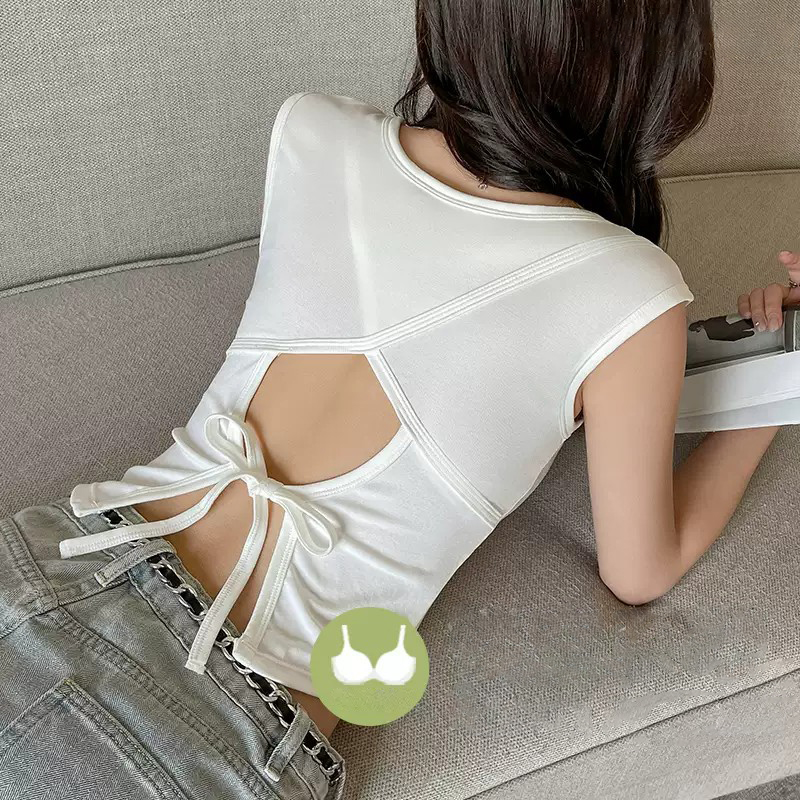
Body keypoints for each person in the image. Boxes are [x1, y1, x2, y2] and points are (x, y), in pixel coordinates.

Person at [2, 2, 799, 798]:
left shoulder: (315, 129)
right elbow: (640, 571)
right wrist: (779, 380)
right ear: (660, 64)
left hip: (63, 557)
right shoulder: (634, 293)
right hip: (218, 715)